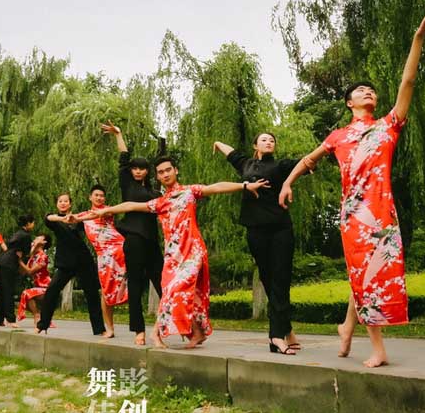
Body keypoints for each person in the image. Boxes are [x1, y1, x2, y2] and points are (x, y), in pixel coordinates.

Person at [279, 1, 425, 368]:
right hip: (354, 215)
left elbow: (408, 82)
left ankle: (346, 326)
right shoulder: (338, 136)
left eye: (371, 90)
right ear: (348, 102)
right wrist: (287, 184)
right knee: (364, 271)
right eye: (360, 91)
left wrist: (418, 37)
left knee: (375, 270)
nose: (368, 92)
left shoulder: (389, 125)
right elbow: (309, 160)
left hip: (383, 210)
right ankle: (378, 348)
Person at [93, 156, 268, 348]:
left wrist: (244, 186)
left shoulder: (189, 192)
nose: (165, 174)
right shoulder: (160, 202)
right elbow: (131, 205)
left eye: (168, 170)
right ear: (157, 177)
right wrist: (105, 211)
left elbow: (216, 187)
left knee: (177, 288)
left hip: (193, 250)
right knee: (180, 291)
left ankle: (156, 333)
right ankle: (198, 332)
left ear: (176, 171)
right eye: (161, 172)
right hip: (173, 255)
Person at [213, 133, 303, 355]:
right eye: (264, 140)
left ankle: (276, 336)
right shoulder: (246, 164)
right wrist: (217, 143)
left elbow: (307, 162)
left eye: (272, 139)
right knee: (267, 277)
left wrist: (326, 148)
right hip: (255, 229)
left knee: (281, 279)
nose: (269, 141)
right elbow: (230, 151)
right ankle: (287, 329)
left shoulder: (282, 165)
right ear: (255, 145)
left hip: (281, 228)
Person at [100, 122, 164, 346]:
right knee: (136, 285)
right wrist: (118, 134)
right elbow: (123, 158)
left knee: (162, 284)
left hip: (152, 242)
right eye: (135, 168)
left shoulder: (156, 192)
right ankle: (139, 330)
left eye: (142, 168)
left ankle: (168, 326)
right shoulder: (127, 185)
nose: (138, 170)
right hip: (134, 240)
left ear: (148, 171)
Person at [35, 193, 106, 336]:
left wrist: (75, 218)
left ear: (70, 204)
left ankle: (100, 329)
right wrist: (63, 219)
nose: (63, 203)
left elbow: (91, 218)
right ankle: (42, 325)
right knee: (52, 292)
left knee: (92, 294)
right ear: (57, 204)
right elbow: (48, 218)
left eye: (65, 201)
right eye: (60, 201)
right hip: (65, 263)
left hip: (83, 261)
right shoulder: (55, 220)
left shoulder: (78, 219)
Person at [74, 185, 128, 338]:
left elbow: (123, 208)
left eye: (102, 196)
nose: (99, 198)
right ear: (90, 197)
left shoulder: (108, 210)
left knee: (131, 287)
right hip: (104, 257)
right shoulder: (83, 215)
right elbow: (70, 219)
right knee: (106, 291)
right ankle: (109, 328)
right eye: (96, 195)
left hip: (120, 250)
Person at [0, 215, 44, 327]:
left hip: (2, 261)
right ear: (28, 224)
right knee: (8, 291)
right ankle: (11, 320)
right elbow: (26, 254)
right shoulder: (26, 236)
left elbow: (13, 247)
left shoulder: (17, 233)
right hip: (10, 263)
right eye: (32, 223)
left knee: (0, 291)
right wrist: (35, 246)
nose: (33, 225)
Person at [18, 236, 53, 326]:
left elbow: (30, 271)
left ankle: (37, 316)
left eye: (37, 239)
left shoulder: (43, 256)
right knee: (26, 297)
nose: (34, 240)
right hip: (38, 287)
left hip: (47, 287)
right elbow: (23, 273)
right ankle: (41, 316)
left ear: (44, 242)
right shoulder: (33, 257)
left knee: (26, 293)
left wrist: (19, 261)